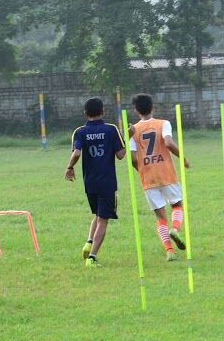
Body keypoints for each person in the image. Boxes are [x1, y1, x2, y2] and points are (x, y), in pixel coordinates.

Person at [65, 97, 128, 267]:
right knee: (103, 219)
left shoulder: (79, 131)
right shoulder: (111, 130)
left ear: (85, 113)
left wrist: (69, 168)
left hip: (90, 182)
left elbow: (77, 153)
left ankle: (88, 242)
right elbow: (121, 155)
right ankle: (92, 258)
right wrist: (127, 137)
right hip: (107, 182)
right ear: (103, 111)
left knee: (98, 215)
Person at [128, 94, 189, 261]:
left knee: (160, 217)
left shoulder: (133, 130)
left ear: (136, 111)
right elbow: (168, 143)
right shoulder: (163, 123)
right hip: (166, 172)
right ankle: (175, 230)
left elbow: (133, 158)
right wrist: (182, 158)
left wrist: (142, 170)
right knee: (177, 205)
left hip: (148, 176)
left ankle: (170, 251)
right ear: (152, 107)